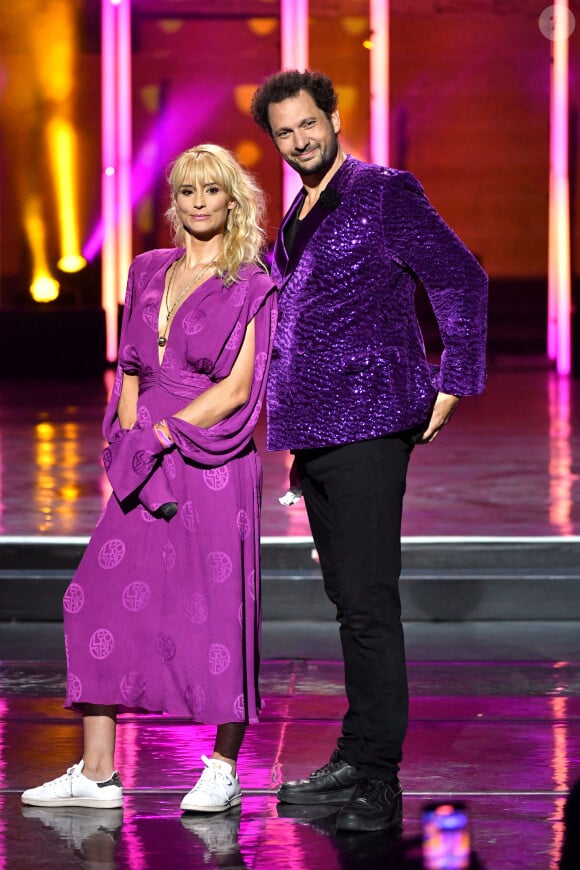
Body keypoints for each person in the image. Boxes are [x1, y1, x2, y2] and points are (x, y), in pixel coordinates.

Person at [251, 70, 488, 834]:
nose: (300, 141)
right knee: (350, 602)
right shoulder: (300, 208)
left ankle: (378, 776)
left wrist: (455, 378)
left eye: (308, 124)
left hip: (371, 417)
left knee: (370, 605)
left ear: (333, 117)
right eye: (285, 132)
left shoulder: (383, 192)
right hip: (316, 428)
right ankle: (357, 750)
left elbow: (461, 279)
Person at [21, 144, 277, 814]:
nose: (198, 202)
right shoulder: (147, 269)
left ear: (232, 200)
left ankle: (223, 766)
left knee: (220, 609)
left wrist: (164, 436)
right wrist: (131, 445)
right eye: (187, 190)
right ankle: (99, 773)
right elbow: (133, 366)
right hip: (144, 457)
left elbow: (238, 388)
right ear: (175, 199)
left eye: (211, 191)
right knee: (92, 599)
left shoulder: (251, 282)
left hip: (211, 459)